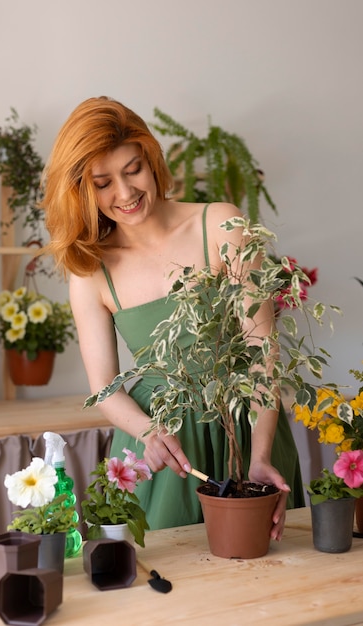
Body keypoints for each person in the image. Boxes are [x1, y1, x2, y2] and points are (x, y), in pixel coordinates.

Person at [42, 96, 305, 542]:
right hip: (164, 451)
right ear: (82, 190)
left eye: (133, 170)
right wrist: (149, 431)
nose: (125, 194)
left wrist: (261, 454)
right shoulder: (91, 271)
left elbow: (263, 352)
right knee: (165, 596)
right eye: (103, 182)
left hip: (245, 430)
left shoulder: (222, 225)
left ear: (152, 159)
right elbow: (104, 389)